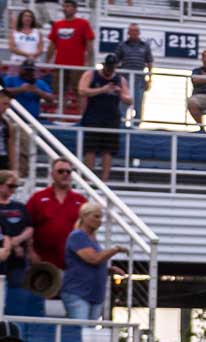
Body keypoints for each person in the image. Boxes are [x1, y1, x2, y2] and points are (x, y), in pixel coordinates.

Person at [61, 202, 126, 321]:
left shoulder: (92, 238)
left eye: (101, 217)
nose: (100, 220)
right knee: (81, 333)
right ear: (84, 216)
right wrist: (116, 249)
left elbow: (86, 265)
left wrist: (108, 270)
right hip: (78, 293)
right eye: (96, 216)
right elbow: (93, 259)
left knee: (89, 334)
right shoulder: (77, 236)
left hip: (94, 295)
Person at [77, 53, 130, 182]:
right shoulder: (91, 75)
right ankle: (88, 179)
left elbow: (129, 100)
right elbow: (82, 90)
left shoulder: (120, 79)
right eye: (108, 67)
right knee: (90, 149)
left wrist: (119, 93)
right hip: (93, 117)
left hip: (111, 119)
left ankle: (104, 180)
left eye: (112, 68)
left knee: (108, 150)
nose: (109, 70)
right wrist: (102, 90)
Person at [28, 158, 87, 270]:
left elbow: (89, 232)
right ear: (52, 174)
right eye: (60, 171)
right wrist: (31, 253)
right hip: (43, 262)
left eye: (68, 172)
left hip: (73, 263)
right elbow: (27, 227)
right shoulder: (38, 198)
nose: (65, 174)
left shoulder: (81, 200)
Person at [113, 24, 153, 127]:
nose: (134, 33)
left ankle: (135, 127)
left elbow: (149, 63)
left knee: (138, 105)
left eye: (135, 31)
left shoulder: (145, 46)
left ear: (139, 33)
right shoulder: (122, 45)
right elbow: (115, 61)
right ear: (128, 33)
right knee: (123, 104)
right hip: (124, 79)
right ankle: (121, 126)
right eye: (131, 31)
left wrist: (149, 79)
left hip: (139, 79)